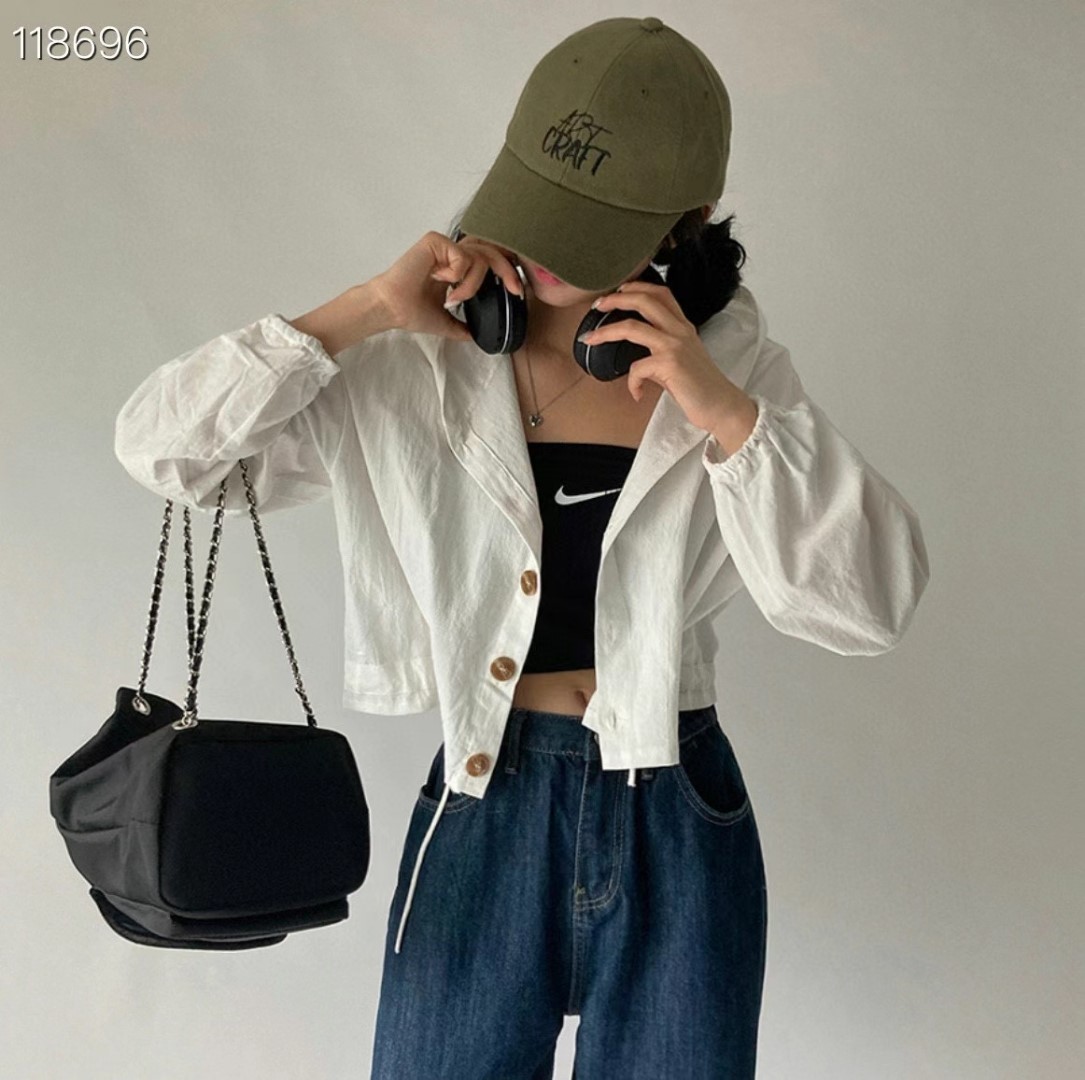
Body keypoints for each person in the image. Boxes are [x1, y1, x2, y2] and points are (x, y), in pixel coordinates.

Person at [113, 16, 930, 1079]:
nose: (545, 249)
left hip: (675, 800)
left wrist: (726, 413)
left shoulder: (734, 372)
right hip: (480, 796)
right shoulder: (409, 366)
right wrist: (358, 314)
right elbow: (163, 453)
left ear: (685, 222)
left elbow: (867, 607)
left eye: (590, 227)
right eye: (539, 204)